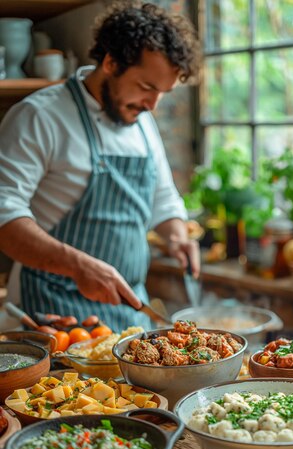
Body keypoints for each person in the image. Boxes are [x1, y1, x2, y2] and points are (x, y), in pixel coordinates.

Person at [0, 0, 201, 330]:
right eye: (146, 86)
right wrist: (78, 266)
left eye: (162, 92)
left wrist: (177, 236)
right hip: (53, 313)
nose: (152, 105)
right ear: (110, 62)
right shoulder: (39, 116)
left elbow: (163, 201)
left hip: (131, 315)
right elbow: (4, 219)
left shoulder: (141, 119)